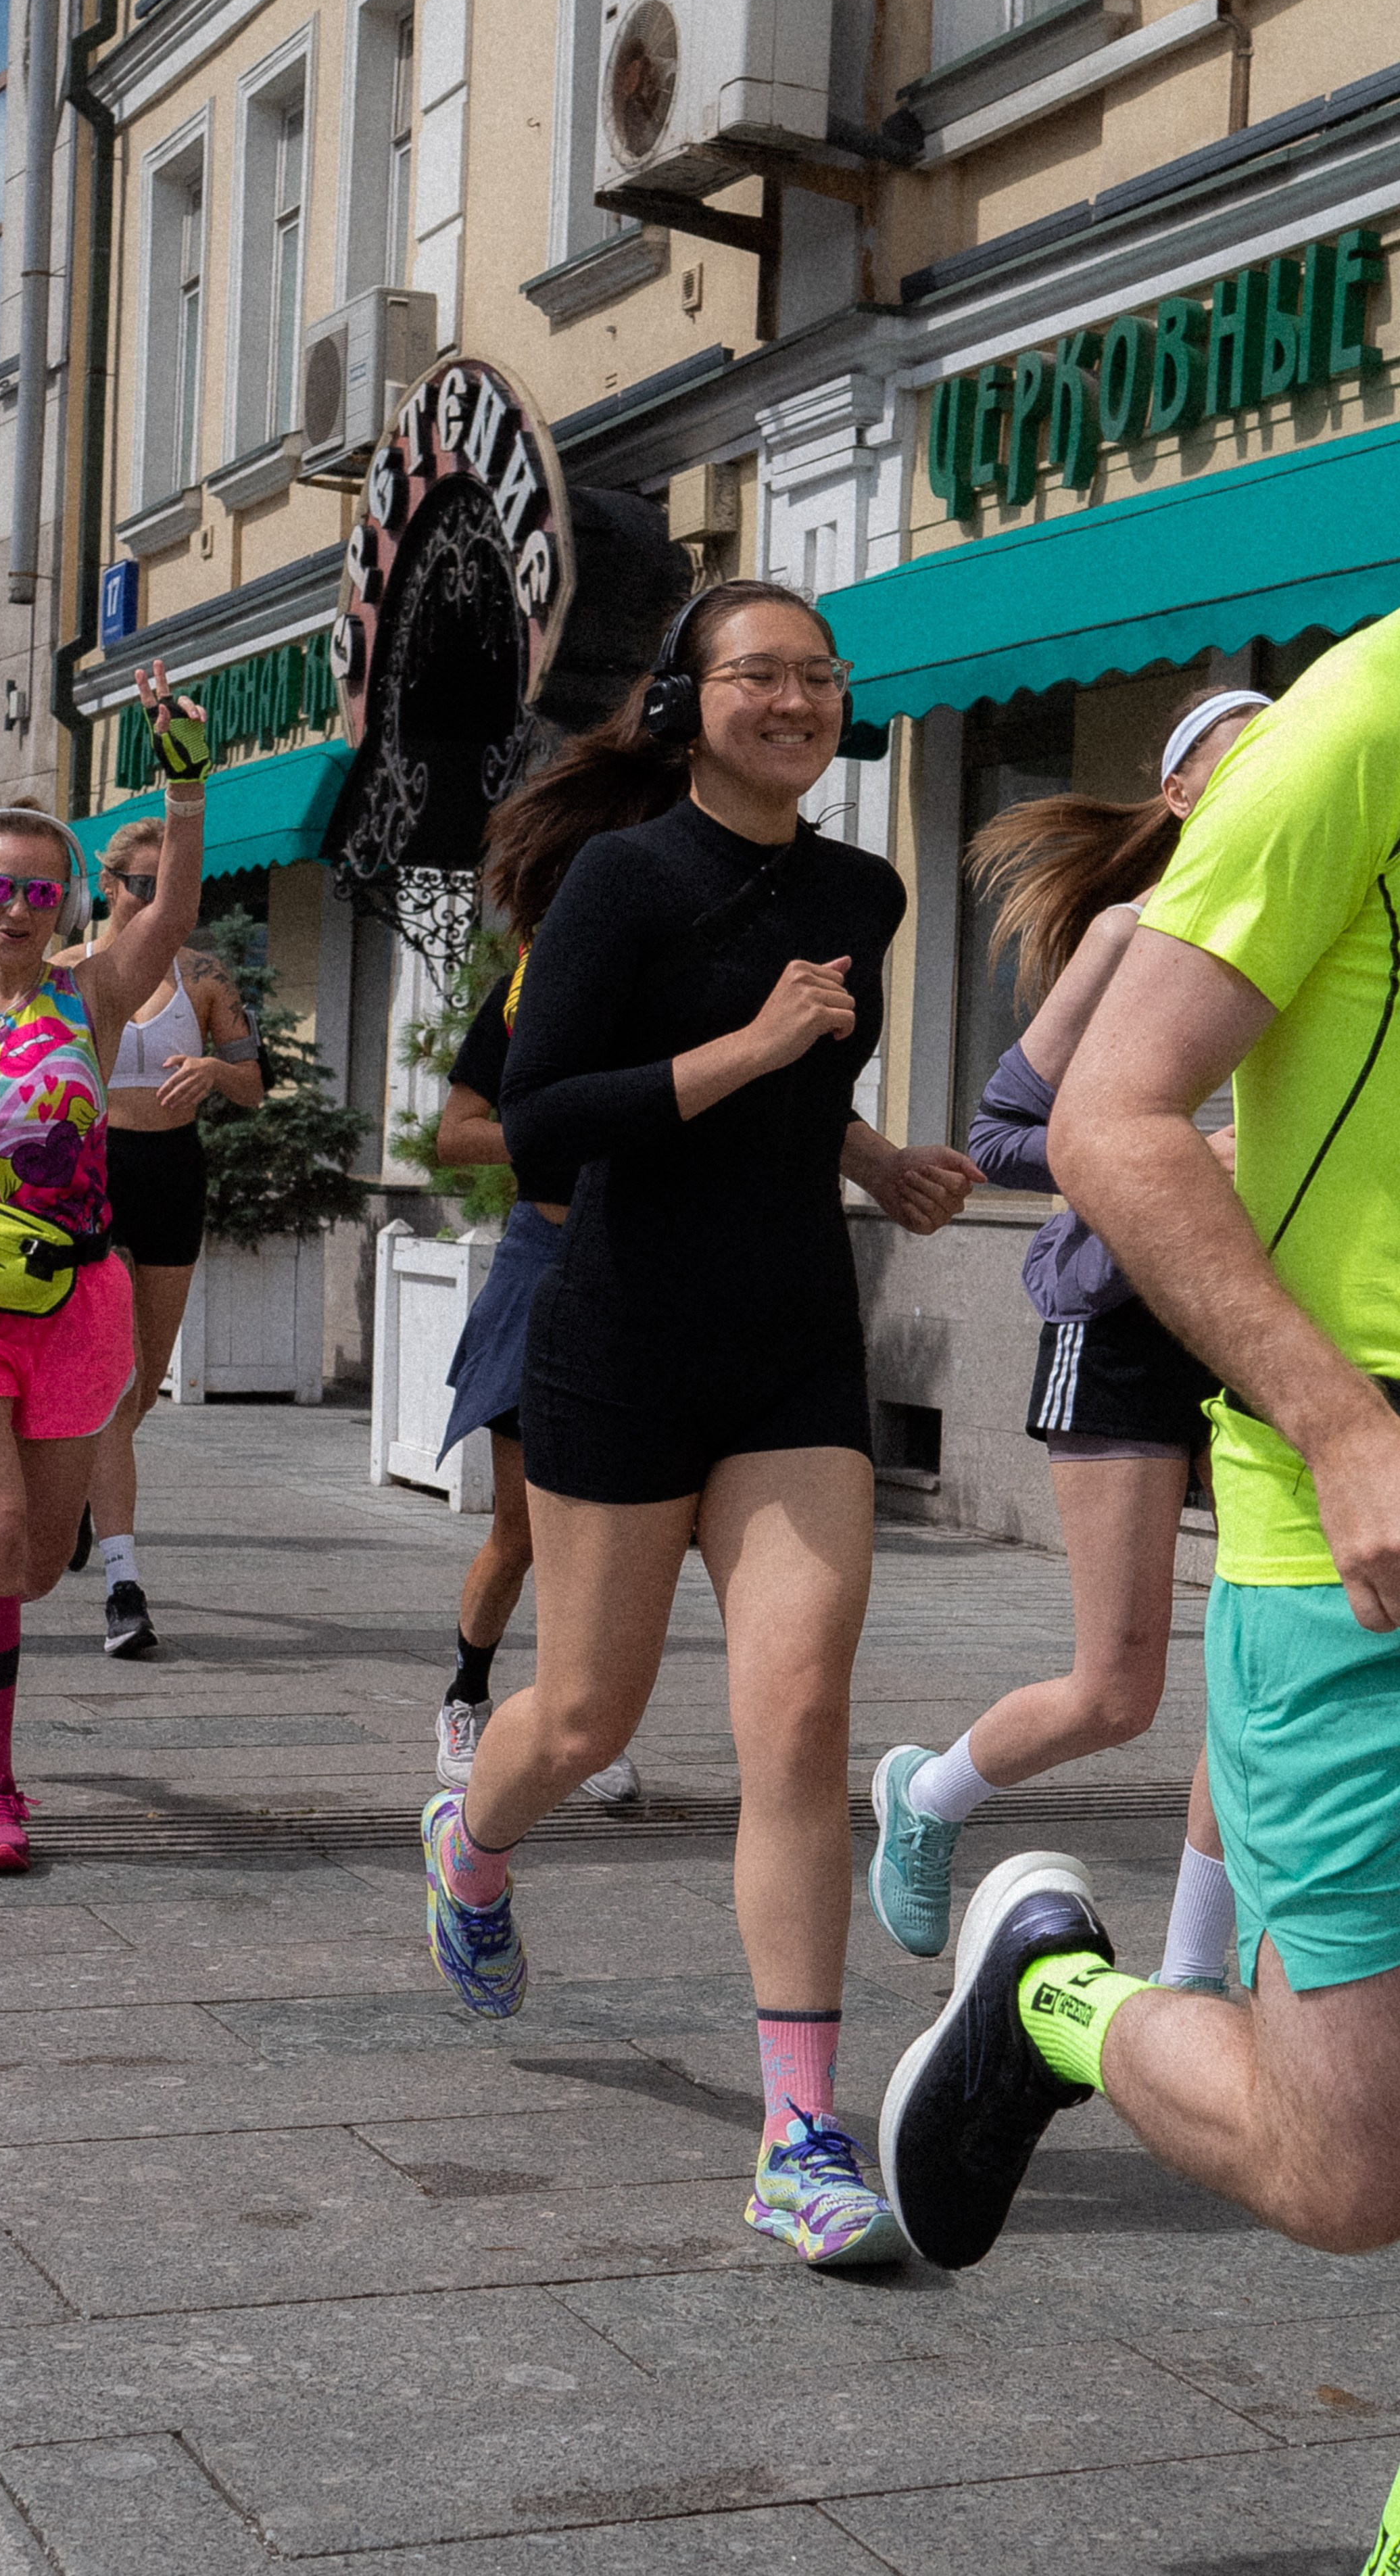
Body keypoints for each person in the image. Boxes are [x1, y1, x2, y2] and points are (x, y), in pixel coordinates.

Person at [877, 606, 1400, 2566]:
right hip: (1345, 1505)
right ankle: (1055, 1998)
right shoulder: (1357, 725)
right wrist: (1338, 1420)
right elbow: (1093, 1119)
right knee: (1344, 2170)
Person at [418, 578, 982, 2268]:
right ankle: (471, 1842)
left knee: (798, 1719)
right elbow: (533, 1122)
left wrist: (873, 1153)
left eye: (820, 675)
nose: (796, 700)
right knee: (586, 1713)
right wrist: (750, 1045)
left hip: (793, 1346)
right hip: (624, 1343)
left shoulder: (862, 889)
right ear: (686, 699)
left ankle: (799, 2132)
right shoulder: (620, 876)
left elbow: (800, 1089)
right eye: (759, 674)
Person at [867, 688, 1269, 1990]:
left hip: (1270, 1324)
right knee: (1117, 1691)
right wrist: (1176, 1159)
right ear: (1179, 793)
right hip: (1125, 1316)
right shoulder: (1131, 930)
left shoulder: (1317, 919)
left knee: (1262, 1672)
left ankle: (1192, 1975)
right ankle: (930, 1793)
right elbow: (997, 1136)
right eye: (1240, 762)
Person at [0, 661, 210, 1871]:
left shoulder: (92, 994)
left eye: (38, 889)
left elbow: (172, 910)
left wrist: (183, 781)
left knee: (30, 1564)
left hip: (72, 1298)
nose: (15, 908)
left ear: (64, 901)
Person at [433, 963, 642, 1805]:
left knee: (609, 1534)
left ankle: (579, 1725)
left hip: (635, 1269)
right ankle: (465, 1698)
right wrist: (570, 1125)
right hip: (543, 1261)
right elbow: (456, 1134)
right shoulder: (530, 988)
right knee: (520, 1531)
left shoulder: (669, 984)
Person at [59, 818, 262, 1655]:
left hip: (174, 1170)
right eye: (140, 885)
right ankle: (124, 1580)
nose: (153, 900)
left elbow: (254, 1086)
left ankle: (80, 1488)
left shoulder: (203, 975)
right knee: (114, 1381)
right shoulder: (70, 969)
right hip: (97, 1170)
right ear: (109, 884)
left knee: (143, 1386)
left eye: (168, 886)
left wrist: (216, 1070)